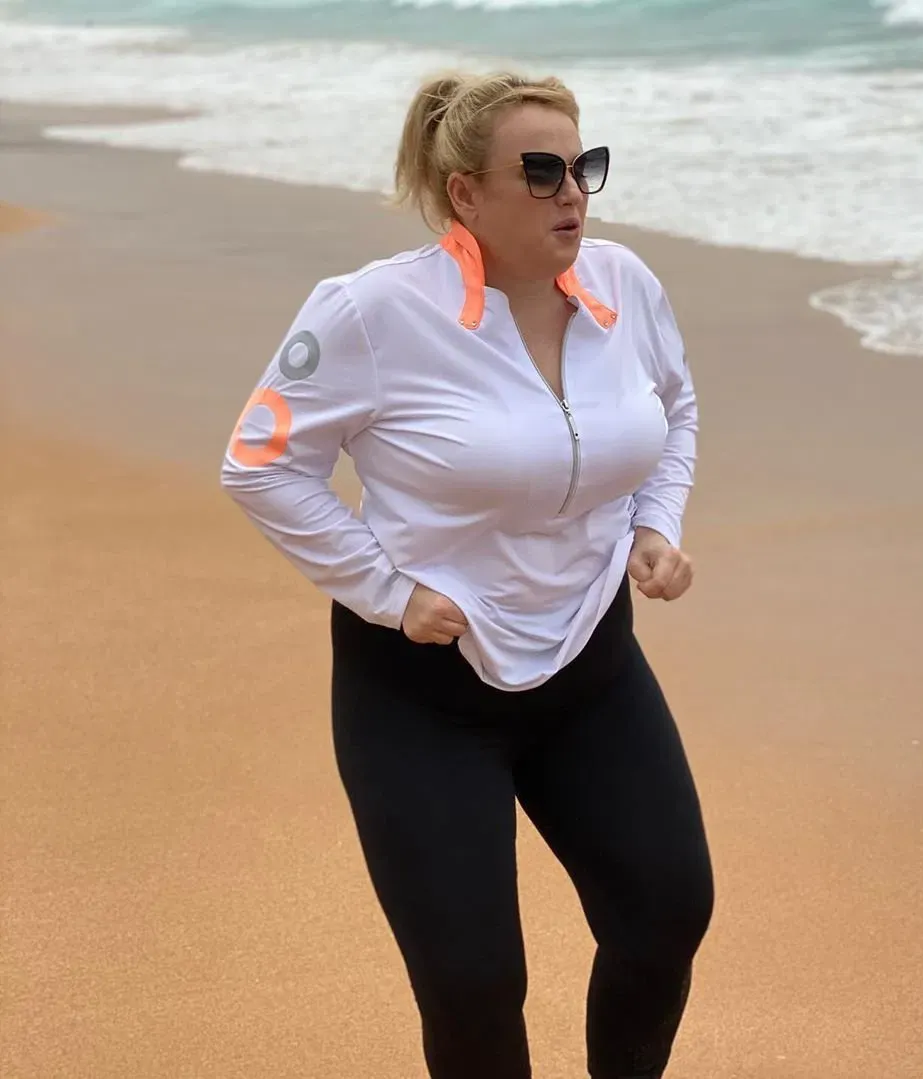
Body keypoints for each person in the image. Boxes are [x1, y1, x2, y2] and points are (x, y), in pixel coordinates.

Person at [220, 69, 714, 1079]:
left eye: (584, 167)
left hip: (591, 668)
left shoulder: (624, 284)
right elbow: (260, 462)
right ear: (464, 193)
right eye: (541, 172)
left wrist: (653, 524)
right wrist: (387, 590)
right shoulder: (371, 312)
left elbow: (675, 408)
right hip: (423, 694)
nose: (573, 193)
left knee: (667, 913)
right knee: (474, 985)